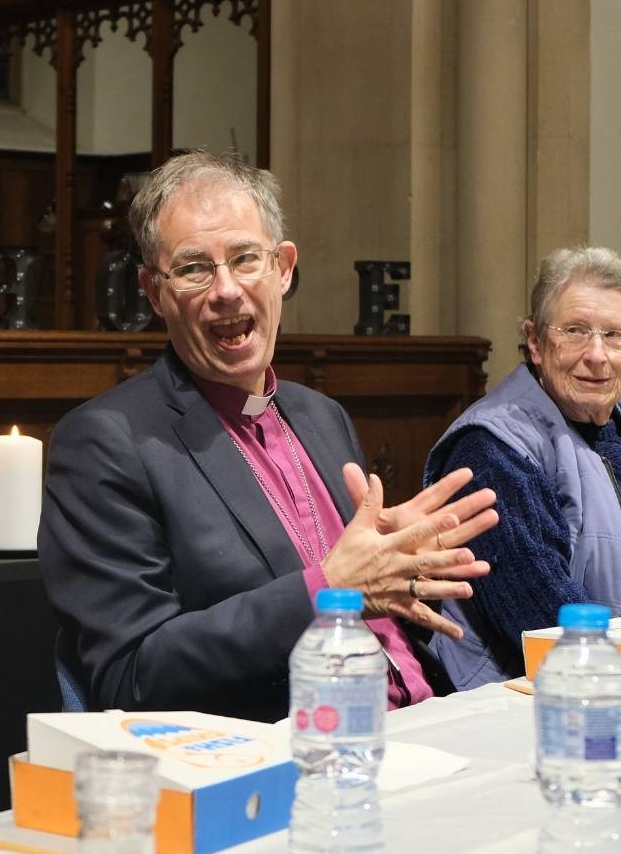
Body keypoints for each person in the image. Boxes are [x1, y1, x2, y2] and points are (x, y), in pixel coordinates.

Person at [38, 150, 498, 722]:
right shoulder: (107, 442)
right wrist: (329, 589)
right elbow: (132, 676)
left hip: (425, 716)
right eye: (193, 268)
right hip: (285, 756)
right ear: (154, 292)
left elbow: (377, 604)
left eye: (244, 259)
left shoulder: (322, 416)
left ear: (283, 268)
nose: (226, 290)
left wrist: (400, 567)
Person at [425, 246, 621, 689]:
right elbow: (546, 628)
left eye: (614, 335)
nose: (597, 355)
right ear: (535, 342)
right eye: (575, 331)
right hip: (552, 701)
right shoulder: (491, 449)